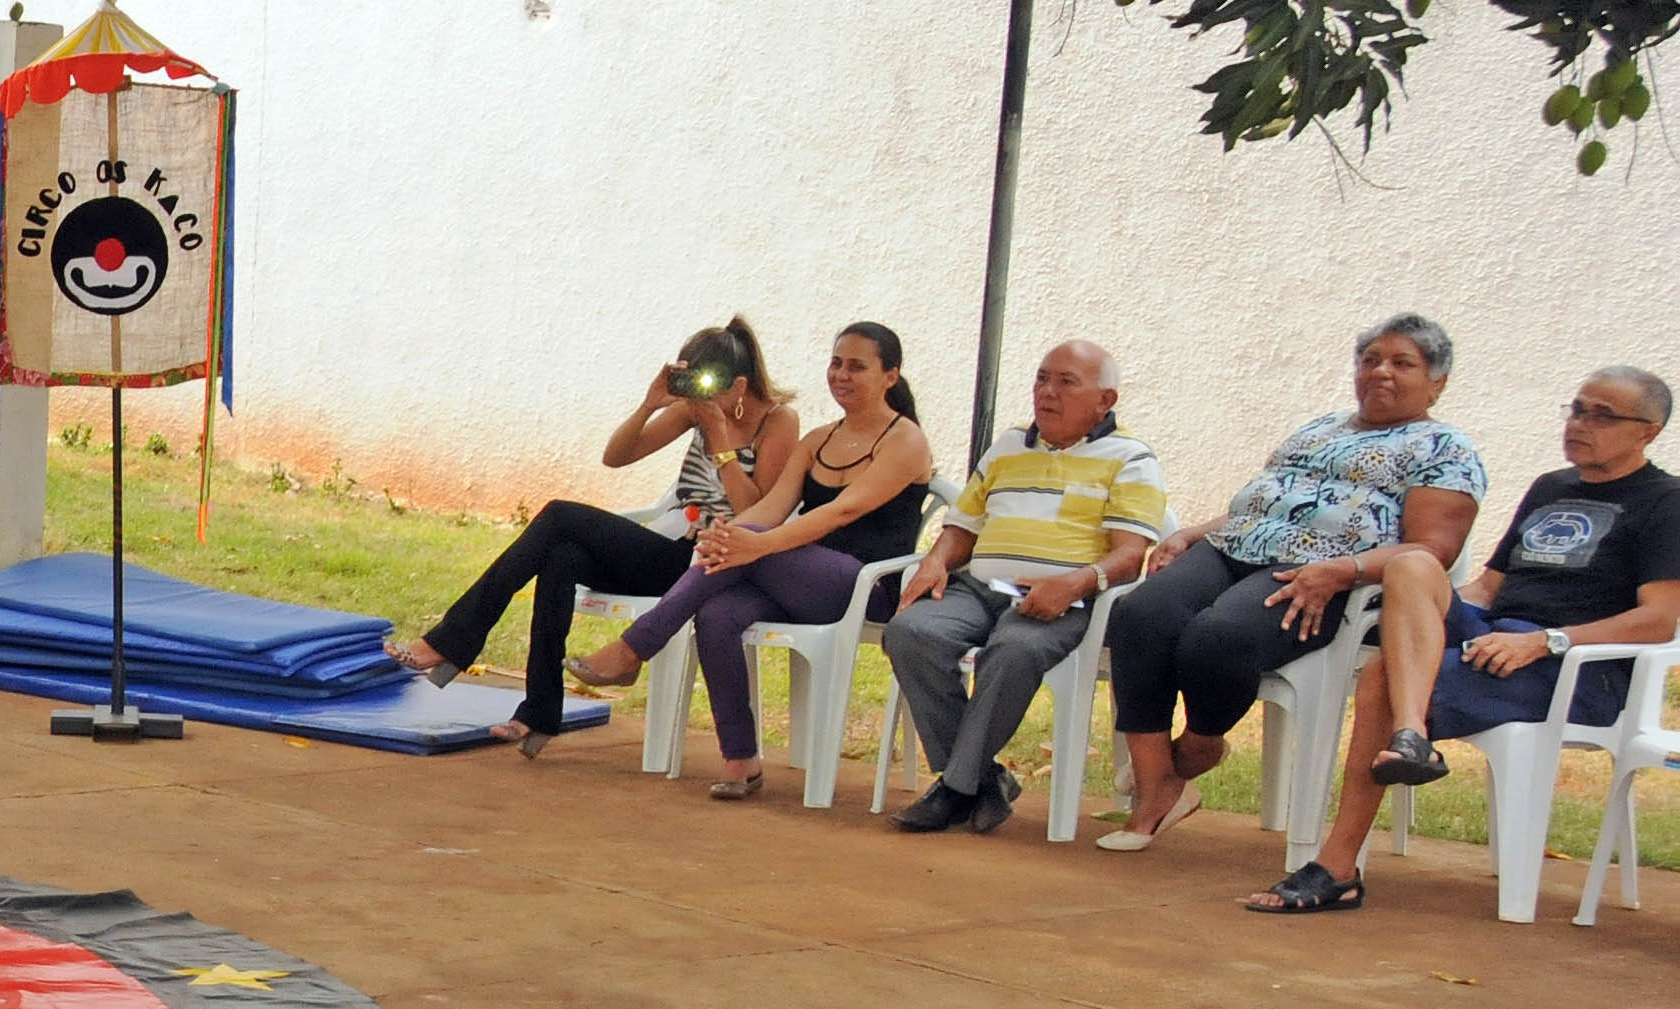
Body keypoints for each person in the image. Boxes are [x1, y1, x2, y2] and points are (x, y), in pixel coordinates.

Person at [1244, 364, 1680, 912]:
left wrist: (1546, 641)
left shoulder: (1665, 501)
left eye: (1602, 416)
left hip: (1576, 668)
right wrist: (1418, 608)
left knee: (1382, 676)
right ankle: (1411, 735)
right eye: (1576, 409)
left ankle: (1338, 865)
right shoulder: (1551, 487)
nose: (1580, 424)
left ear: (1648, 432)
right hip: (1495, 638)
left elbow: (1659, 619)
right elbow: (1489, 587)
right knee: (1411, 564)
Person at [1103, 315, 1487, 852]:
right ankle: (1154, 787)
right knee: (1140, 615)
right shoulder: (1320, 428)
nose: (1381, 372)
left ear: (1437, 382)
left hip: (1324, 574)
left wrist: (1343, 570)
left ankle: (1194, 752)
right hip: (1233, 546)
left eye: (1402, 363)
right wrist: (1190, 533)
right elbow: (1264, 506)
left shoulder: (1445, 449)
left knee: (1219, 638)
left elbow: (1430, 550)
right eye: (1371, 360)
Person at [391, 319, 801, 752]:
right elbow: (616, 457)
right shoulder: (695, 410)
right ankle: (538, 711)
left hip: (711, 565)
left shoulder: (778, 421)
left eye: (706, 386)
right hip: (672, 548)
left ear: (739, 386)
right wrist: (649, 406)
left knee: (559, 516)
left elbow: (758, 513)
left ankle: (454, 640)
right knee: (561, 556)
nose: (697, 398)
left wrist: (721, 444)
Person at [566, 323, 935, 799]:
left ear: (890, 376)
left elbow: (841, 512)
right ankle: (741, 759)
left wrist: (757, 543)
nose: (841, 375)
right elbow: (771, 507)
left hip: (866, 586)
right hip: (797, 577)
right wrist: (727, 537)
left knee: (753, 539)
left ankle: (635, 646)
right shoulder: (819, 439)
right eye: (836, 363)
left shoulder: (905, 440)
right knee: (717, 613)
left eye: (857, 367)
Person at [880, 339, 1171, 833]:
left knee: (1014, 650)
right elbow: (963, 526)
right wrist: (935, 560)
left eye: (1065, 382)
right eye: (1042, 378)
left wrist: (1072, 584)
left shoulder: (1131, 458)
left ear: (1105, 401)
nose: (1047, 392)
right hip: (978, 588)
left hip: (1060, 598)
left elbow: (1129, 555)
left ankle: (955, 789)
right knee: (910, 632)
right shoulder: (1008, 445)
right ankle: (981, 779)